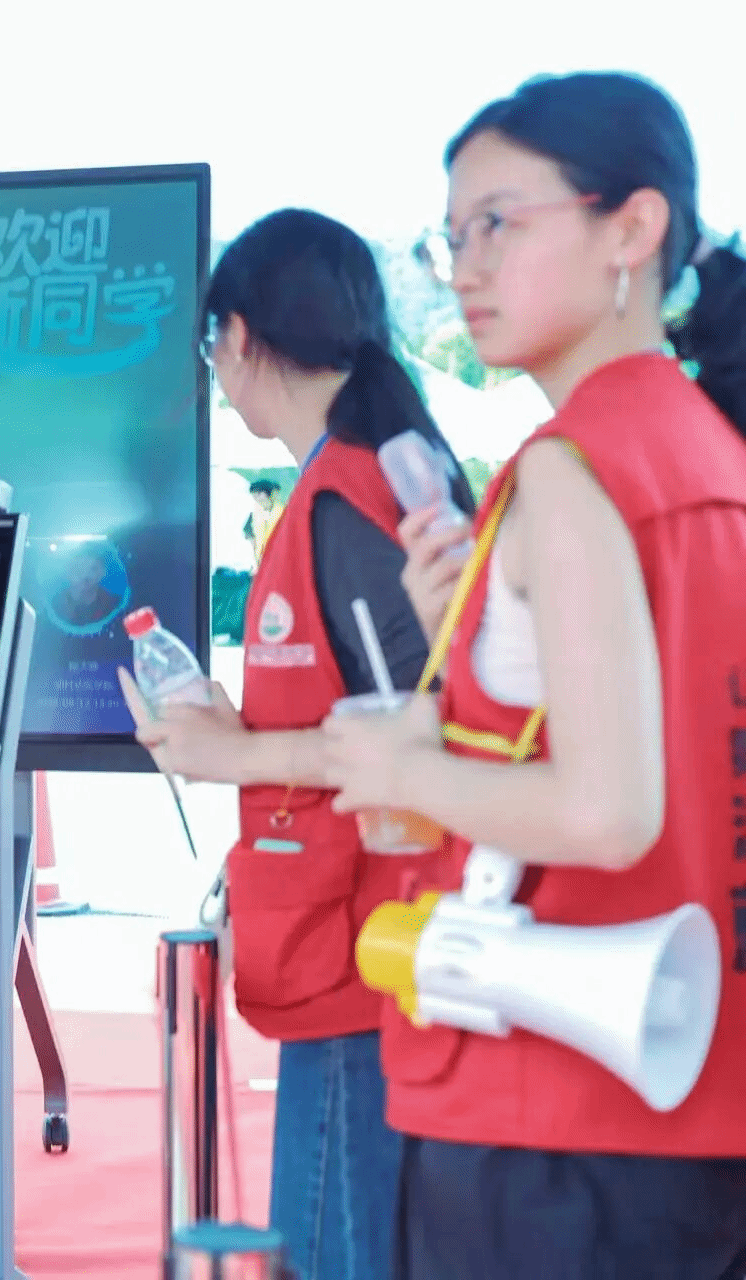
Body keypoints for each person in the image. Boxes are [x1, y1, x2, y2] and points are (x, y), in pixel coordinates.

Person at [320, 72, 746, 1278]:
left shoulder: (571, 469)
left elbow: (608, 810)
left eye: (498, 223)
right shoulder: (710, 454)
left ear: (632, 227)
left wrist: (401, 763)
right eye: (451, 236)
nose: (464, 267)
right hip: (692, 1102)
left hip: (546, 1111)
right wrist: (466, 637)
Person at [116, 207, 475, 1280]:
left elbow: (426, 737)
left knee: (335, 1251)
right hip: (346, 940)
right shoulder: (352, 477)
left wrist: (235, 757)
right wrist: (237, 730)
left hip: (369, 951)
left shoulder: (351, 494)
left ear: (236, 336)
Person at [50, 545, 120, 630]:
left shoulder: (114, 604)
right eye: (79, 567)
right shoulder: (54, 607)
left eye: (93, 568)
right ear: (67, 571)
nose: (86, 574)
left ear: (102, 572)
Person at [243, 478, 283, 566]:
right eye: (254, 494)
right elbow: (249, 538)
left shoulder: (283, 513)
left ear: (268, 493)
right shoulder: (253, 515)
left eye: (259, 493)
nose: (256, 497)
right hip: (261, 561)